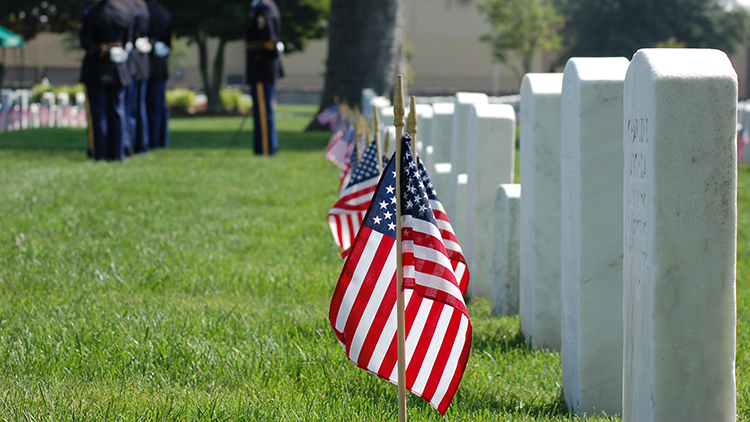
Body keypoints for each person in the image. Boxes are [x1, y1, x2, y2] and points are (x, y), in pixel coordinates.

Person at [80, 0, 134, 161]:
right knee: (118, 112)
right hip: (118, 69)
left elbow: (86, 42)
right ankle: (117, 154)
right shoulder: (125, 11)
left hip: (96, 69)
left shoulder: (92, 11)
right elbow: (128, 38)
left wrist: (106, 52)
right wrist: (120, 51)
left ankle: (100, 153)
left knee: (98, 114)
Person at [245, 0, 284, 156]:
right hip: (262, 65)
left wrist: (273, 50)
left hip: (260, 65)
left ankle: (265, 149)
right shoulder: (267, 5)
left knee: (262, 111)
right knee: (264, 109)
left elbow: (268, 35)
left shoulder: (262, 8)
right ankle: (267, 147)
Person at [124, 0, 151, 154]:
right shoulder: (143, 6)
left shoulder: (129, 6)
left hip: (131, 63)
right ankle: (141, 143)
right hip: (141, 63)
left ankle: (130, 144)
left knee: (130, 109)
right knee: (139, 108)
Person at [146, 0, 172, 149]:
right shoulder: (164, 13)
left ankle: (150, 141)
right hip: (160, 66)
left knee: (147, 107)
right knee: (159, 106)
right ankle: (161, 141)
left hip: (145, 65)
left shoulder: (141, 10)